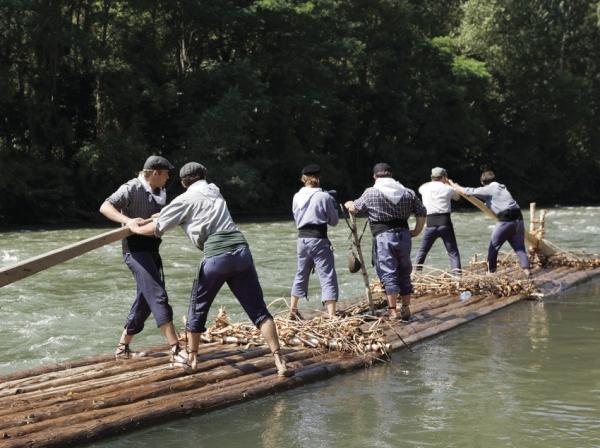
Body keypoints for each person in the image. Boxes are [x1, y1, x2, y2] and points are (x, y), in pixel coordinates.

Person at [128, 162, 292, 377]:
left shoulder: (184, 199)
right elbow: (190, 212)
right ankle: (280, 361)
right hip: (241, 251)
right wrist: (167, 214)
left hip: (217, 255)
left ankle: (192, 359)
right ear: (203, 176)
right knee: (259, 310)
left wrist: (134, 227)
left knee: (198, 307)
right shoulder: (214, 189)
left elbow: (156, 229)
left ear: (184, 182)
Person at [99, 155, 181, 360]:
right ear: (155, 173)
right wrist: (128, 222)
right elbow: (105, 206)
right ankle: (177, 349)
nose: (168, 178)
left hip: (152, 249)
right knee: (157, 295)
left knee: (145, 301)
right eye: (166, 174)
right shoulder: (132, 188)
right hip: (134, 251)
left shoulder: (160, 191)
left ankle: (122, 349)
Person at [344, 162, 426, 321]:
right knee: (404, 271)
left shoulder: (371, 193)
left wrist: (348, 204)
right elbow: (422, 211)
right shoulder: (407, 192)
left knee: (389, 272)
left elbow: (356, 208)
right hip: (403, 235)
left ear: (375, 176)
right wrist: (416, 231)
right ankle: (406, 307)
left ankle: (393, 310)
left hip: (383, 237)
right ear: (391, 174)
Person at [449, 170, 530, 276]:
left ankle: (491, 273)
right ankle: (528, 272)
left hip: (506, 219)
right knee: (519, 247)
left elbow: (467, 191)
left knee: (494, 247)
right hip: (518, 218)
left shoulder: (489, 189)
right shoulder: (502, 187)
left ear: (483, 182)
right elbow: (493, 201)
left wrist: (452, 184)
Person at [290, 164, 339, 319]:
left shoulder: (296, 196)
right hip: (319, 239)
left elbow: (296, 217)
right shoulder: (324, 197)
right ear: (318, 178)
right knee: (327, 275)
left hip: (302, 239)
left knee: (301, 274)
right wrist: (334, 205)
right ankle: (331, 315)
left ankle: (292, 310)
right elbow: (334, 221)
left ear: (303, 179)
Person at [415, 167, 461, 273]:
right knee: (453, 252)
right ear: (444, 177)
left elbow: (421, 188)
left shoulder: (423, 188)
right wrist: (449, 184)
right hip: (445, 223)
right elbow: (457, 197)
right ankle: (457, 276)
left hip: (430, 224)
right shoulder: (449, 189)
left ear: (432, 177)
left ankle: (416, 274)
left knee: (423, 251)